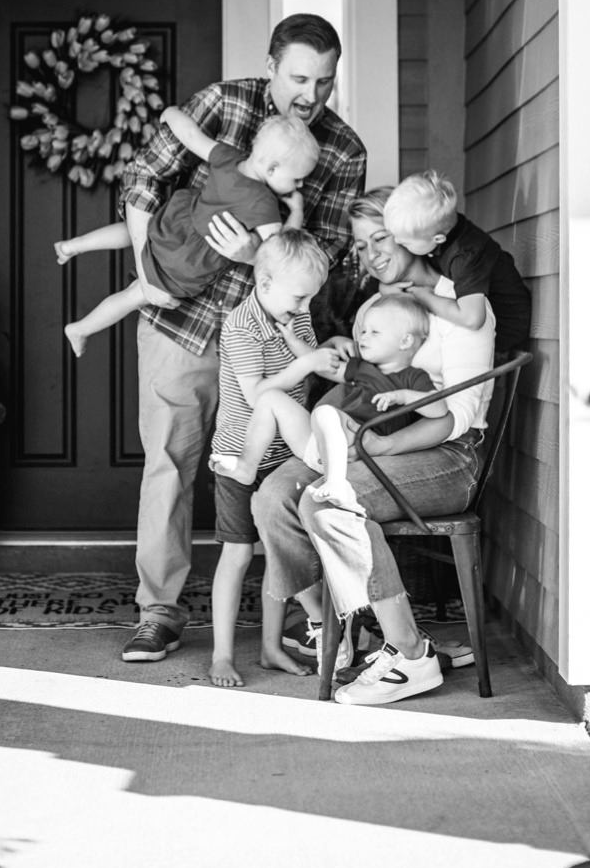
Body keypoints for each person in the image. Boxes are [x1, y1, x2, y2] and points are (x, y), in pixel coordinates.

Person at [116, 14, 367, 664]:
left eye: (324, 80)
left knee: (274, 474)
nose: (310, 93)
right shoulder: (222, 104)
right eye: (298, 77)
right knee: (169, 462)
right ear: (270, 65)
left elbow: (333, 257)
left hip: (274, 347)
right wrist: (149, 267)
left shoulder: (342, 151)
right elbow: (143, 175)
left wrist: (262, 250)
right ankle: (159, 610)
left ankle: (287, 609)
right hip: (184, 322)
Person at [252, 186, 498, 706]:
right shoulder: (376, 304)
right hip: (369, 439)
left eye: (380, 238)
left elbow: (456, 419)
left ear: (414, 240)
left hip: (447, 455)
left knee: (329, 502)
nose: (371, 254)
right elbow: (363, 381)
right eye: (361, 245)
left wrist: (377, 451)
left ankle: (410, 655)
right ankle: (342, 630)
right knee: (272, 497)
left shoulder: (457, 307)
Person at [56, 108, 319, 357]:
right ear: (272, 169)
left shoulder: (229, 157)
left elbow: (192, 135)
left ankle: (74, 245)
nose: (300, 184)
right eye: (297, 179)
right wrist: (296, 213)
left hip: (174, 225)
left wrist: (171, 114)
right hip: (187, 261)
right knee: (133, 295)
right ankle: (80, 329)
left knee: (136, 232)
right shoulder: (264, 203)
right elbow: (279, 252)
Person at [208, 230, 341, 688]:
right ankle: (222, 655)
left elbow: (307, 352)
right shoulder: (242, 325)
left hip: (284, 456)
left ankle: (270, 647)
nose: (305, 309)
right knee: (238, 552)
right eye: (300, 298)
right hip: (239, 451)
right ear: (264, 283)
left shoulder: (294, 314)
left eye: (311, 300)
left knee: (279, 550)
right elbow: (258, 394)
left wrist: (315, 353)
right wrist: (305, 366)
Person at [210, 293, 444, 511]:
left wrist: (403, 396)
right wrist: (292, 340)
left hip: (357, 447)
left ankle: (336, 484)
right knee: (270, 398)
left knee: (326, 413)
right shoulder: (361, 368)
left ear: (405, 341)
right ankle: (247, 465)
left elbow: (439, 409)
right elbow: (323, 366)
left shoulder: (414, 377)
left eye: (375, 332)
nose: (363, 336)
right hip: (317, 444)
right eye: (363, 331)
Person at [383, 170, 531, 355]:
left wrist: (424, 297)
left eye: (405, 242)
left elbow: (472, 318)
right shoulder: (442, 229)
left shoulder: (465, 255)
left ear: (437, 239)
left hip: (500, 339)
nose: (397, 243)